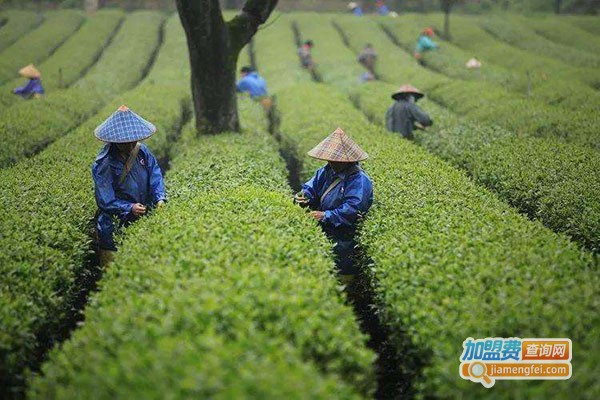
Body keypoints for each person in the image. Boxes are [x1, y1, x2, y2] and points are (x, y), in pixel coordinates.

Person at [294, 127, 373, 282]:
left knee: (342, 278)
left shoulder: (359, 180)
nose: (330, 161)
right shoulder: (327, 171)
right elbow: (312, 187)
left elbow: (352, 209)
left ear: (346, 161)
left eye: (334, 159)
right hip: (324, 233)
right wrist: (304, 197)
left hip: (344, 239)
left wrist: (325, 215)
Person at [92, 105, 166, 267]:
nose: (130, 145)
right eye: (124, 142)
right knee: (113, 270)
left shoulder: (142, 152)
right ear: (114, 141)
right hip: (114, 228)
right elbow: (105, 200)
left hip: (142, 222)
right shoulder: (103, 164)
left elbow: (155, 174)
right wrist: (129, 207)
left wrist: (160, 197)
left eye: (132, 140)